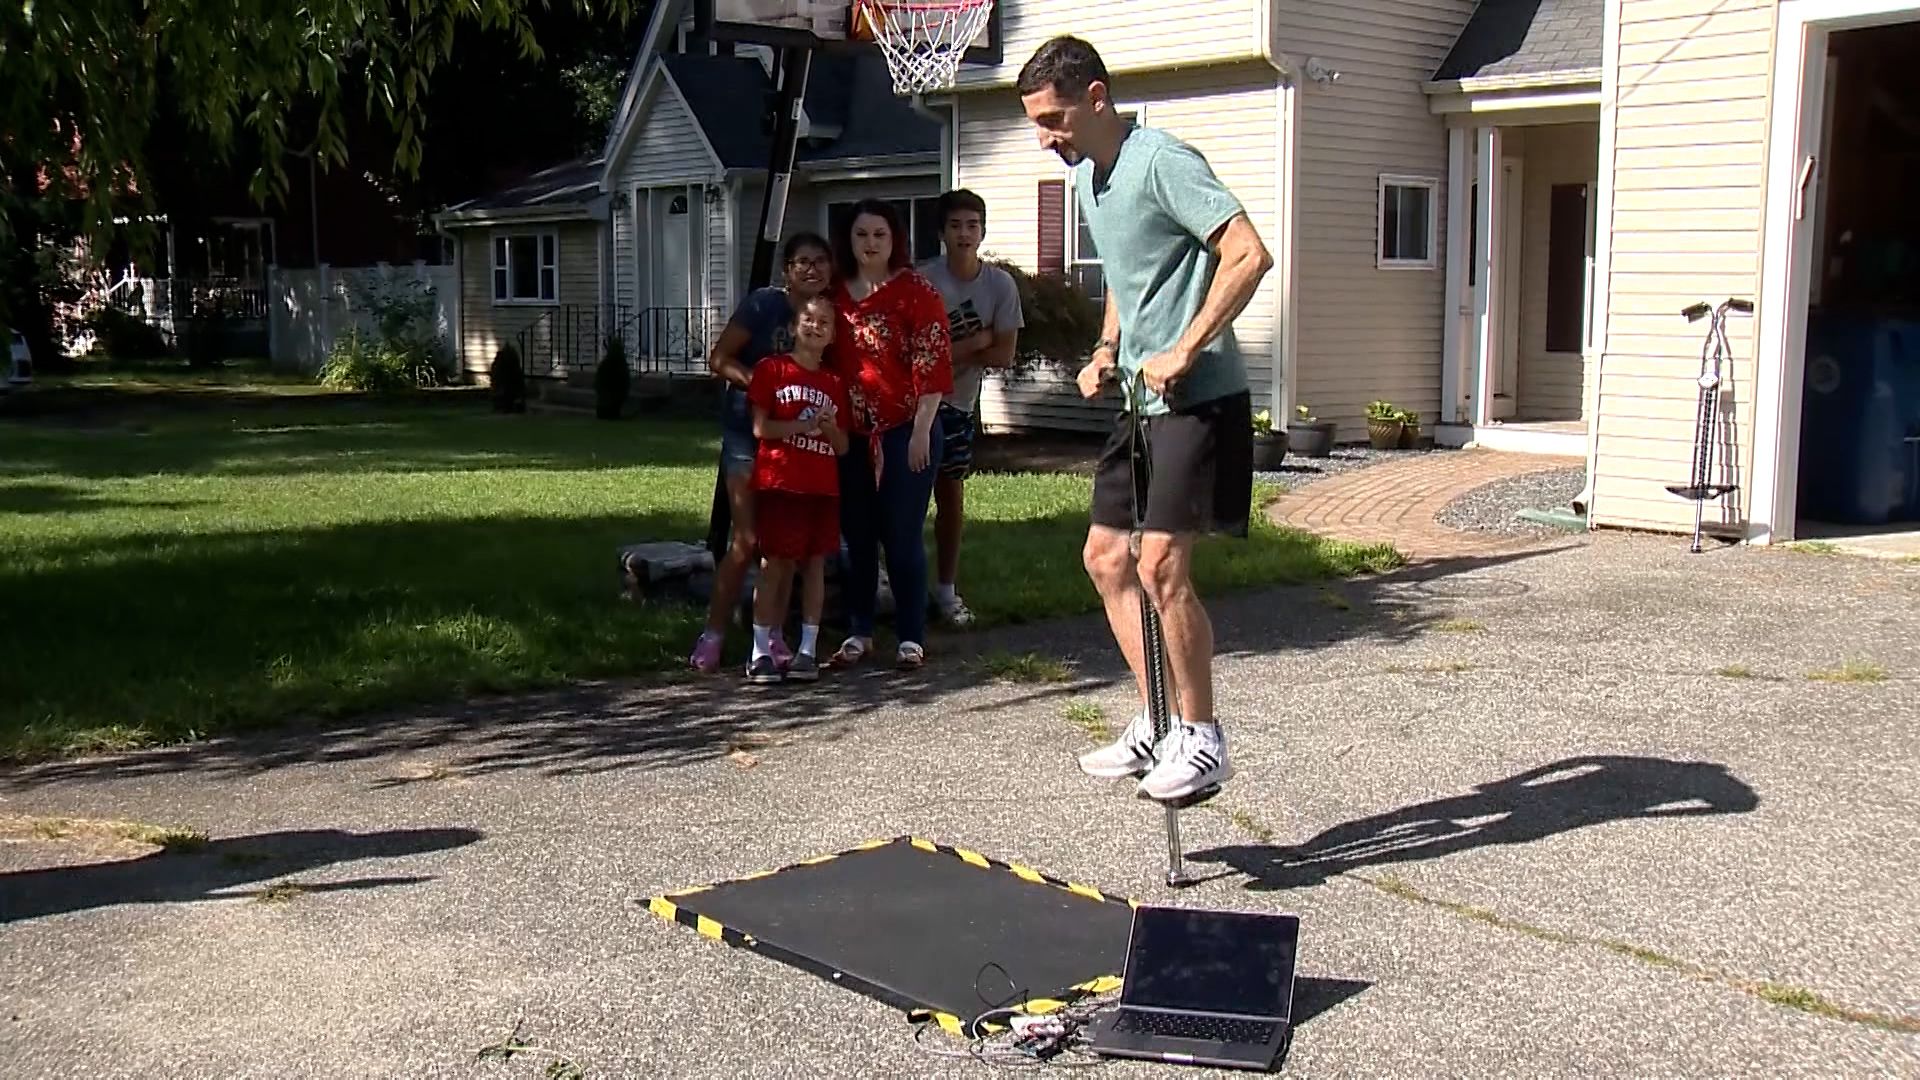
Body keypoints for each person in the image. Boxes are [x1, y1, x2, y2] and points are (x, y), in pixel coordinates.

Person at [1017, 36, 1273, 802]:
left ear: (1097, 98)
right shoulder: (1095, 181)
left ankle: (1204, 738)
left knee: (1161, 565)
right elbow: (1132, 278)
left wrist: (1188, 346)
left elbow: (1249, 254)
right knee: (1104, 559)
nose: (1046, 138)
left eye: (1055, 119)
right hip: (1138, 398)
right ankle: (1157, 722)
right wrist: (1105, 348)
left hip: (1196, 397)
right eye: (1037, 123)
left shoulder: (1162, 160)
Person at [689, 231, 836, 675]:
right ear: (787, 271)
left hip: (795, 445)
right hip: (747, 435)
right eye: (801, 262)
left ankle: (770, 634)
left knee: (785, 546)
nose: (811, 269)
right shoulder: (761, 306)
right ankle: (713, 633)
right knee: (747, 538)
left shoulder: (825, 317)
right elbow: (719, 358)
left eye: (819, 261)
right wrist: (760, 384)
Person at [824, 199, 955, 670]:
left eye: (879, 234)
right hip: (851, 434)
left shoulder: (916, 292)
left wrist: (921, 431)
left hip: (907, 429)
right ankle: (859, 631)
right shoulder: (835, 295)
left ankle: (910, 636)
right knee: (858, 537)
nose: (870, 244)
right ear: (850, 240)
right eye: (862, 235)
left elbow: (933, 363)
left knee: (901, 535)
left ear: (894, 238)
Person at [917, 189, 1025, 628]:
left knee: (951, 497)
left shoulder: (999, 286)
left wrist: (956, 352)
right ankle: (899, 588)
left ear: (982, 231)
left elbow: (1004, 355)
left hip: (959, 407)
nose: (965, 233)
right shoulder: (923, 282)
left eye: (972, 225)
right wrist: (976, 341)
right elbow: (917, 358)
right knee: (905, 503)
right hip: (916, 405)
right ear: (941, 232)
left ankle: (946, 590)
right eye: (956, 225)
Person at [745, 295, 853, 684]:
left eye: (825, 322)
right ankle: (759, 651)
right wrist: (800, 427)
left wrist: (825, 427)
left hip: (821, 488)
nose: (815, 326)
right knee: (773, 563)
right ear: (794, 327)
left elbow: (842, 446)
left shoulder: (834, 383)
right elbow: (762, 429)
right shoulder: (771, 370)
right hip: (781, 483)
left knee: (814, 566)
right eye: (808, 319)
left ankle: (808, 649)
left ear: (832, 335)